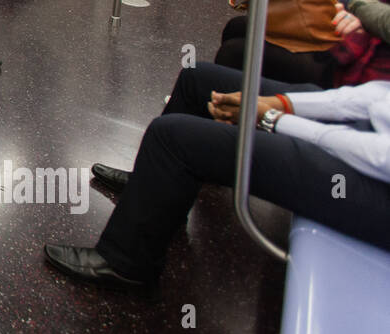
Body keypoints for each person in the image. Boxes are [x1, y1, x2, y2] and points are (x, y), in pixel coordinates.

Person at [44, 61, 390, 290]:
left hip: (374, 183)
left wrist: (275, 120)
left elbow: (381, 157)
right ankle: (154, 193)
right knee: (197, 79)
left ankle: (126, 263)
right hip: (368, 128)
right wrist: (282, 103)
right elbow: (377, 98)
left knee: (172, 136)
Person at [214, 0, 390, 87]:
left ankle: (230, 124)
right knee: (241, 26)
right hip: (362, 40)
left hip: (367, 75)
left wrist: (355, 2)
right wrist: (356, 17)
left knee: (236, 52)